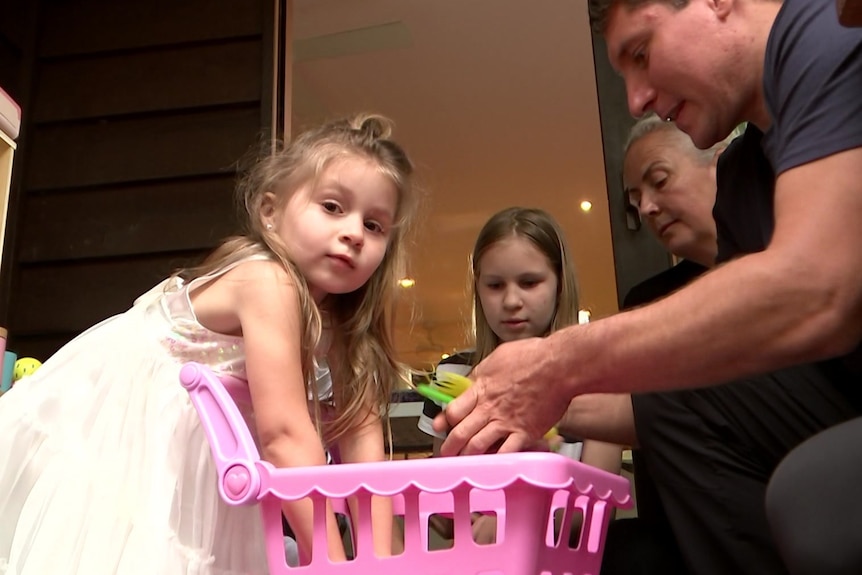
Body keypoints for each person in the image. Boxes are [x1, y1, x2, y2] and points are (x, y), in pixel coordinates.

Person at [435, 1, 862, 573]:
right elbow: (720, 387)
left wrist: (554, 366)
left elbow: (815, 290)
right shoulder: (741, 177)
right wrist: (513, 409)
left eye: (641, 53)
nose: (636, 98)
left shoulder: (826, 36)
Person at [0, 113, 419, 573]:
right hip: (125, 436)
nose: (353, 232)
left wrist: (384, 564)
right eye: (333, 207)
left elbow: (366, 463)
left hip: (200, 465)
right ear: (270, 213)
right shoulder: (268, 281)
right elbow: (285, 436)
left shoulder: (337, 324)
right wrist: (337, 565)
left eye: (375, 225)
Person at [417, 206, 622, 544]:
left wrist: (520, 523)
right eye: (495, 285)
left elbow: (597, 507)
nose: (511, 300)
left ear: (559, 284)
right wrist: (445, 510)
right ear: (478, 288)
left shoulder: (599, 381)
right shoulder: (451, 373)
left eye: (529, 282)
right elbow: (444, 485)